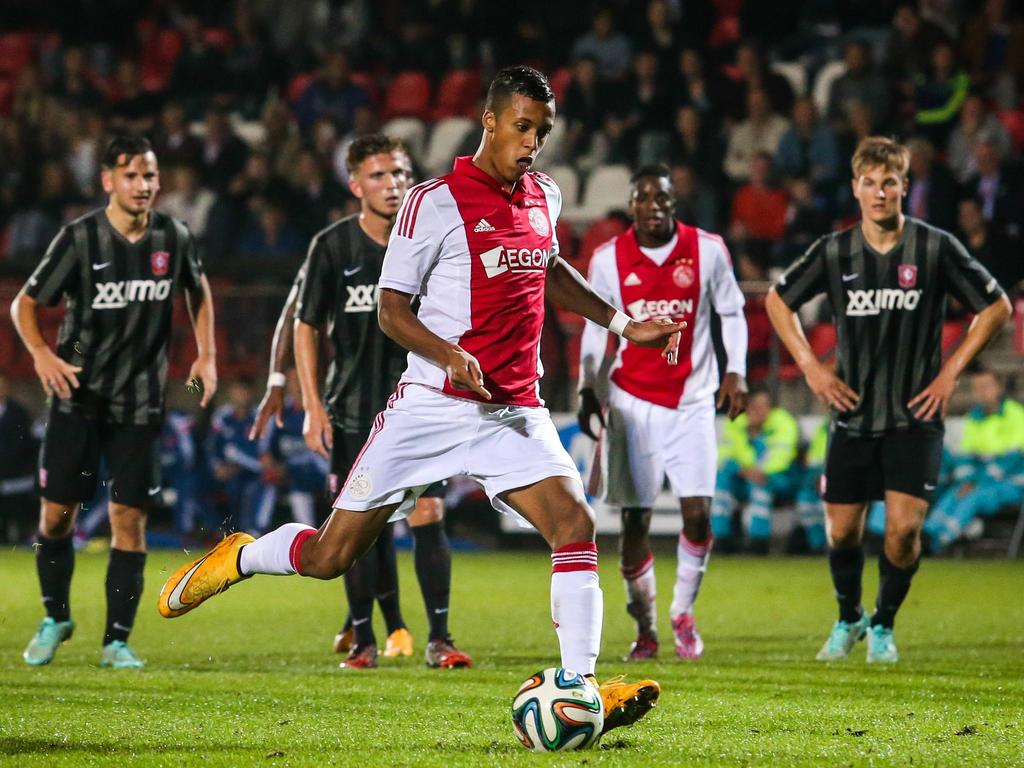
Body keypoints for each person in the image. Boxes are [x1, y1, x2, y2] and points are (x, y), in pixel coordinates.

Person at [160, 66, 680, 733]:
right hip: (431, 406)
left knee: (573, 526)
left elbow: (549, 268)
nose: (533, 143)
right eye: (522, 126)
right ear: (490, 121)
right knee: (329, 557)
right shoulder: (433, 202)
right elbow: (391, 311)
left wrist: (624, 324)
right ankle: (239, 555)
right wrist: (450, 356)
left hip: (512, 409)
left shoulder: (544, 194)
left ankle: (579, 688)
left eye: (543, 131)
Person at [766, 136, 1011, 663]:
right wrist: (811, 367)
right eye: (871, 184)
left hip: (914, 415)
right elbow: (777, 300)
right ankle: (849, 615)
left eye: (891, 183)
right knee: (842, 530)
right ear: (856, 188)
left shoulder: (935, 247)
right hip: (851, 415)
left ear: (906, 186)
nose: (880, 193)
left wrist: (950, 373)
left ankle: (883, 623)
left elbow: (996, 307)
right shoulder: (835, 250)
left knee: (902, 532)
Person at [247, 134, 471, 670]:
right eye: (378, 175)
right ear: (355, 185)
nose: (392, 184)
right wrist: (312, 405)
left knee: (428, 511)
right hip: (353, 410)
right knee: (357, 526)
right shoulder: (333, 245)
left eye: (399, 173)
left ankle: (440, 639)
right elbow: (304, 324)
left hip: (422, 405)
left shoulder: (434, 237)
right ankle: (365, 640)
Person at [11, 135, 217, 668]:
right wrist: (42, 356)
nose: (144, 185)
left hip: (140, 404)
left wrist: (205, 356)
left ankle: (116, 641)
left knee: (130, 519)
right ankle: (56, 615)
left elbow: (198, 290)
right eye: (131, 176)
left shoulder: (174, 236)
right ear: (108, 181)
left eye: (150, 176)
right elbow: (25, 304)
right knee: (56, 519)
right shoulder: (80, 239)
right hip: (77, 399)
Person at [576, 163, 747, 661]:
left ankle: (682, 612)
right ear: (631, 205)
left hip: (693, 401)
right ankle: (646, 628)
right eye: (644, 198)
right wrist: (590, 384)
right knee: (634, 521)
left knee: (697, 516)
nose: (654, 207)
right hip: (632, 402)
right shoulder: (609, 258)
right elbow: (595, 324)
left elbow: (732, 310)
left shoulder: (707, 249)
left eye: (663, 198)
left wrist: (736, 371)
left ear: (675, 203)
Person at [923, 369, 1024, 552]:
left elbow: (1013, 459)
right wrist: (968, 481)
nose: (982, 392)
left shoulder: (1017, 415)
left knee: (972, 495)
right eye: (976, 388)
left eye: (986, 386)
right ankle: (926, 535)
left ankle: (939, 542)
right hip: (982, 480)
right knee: (955, 491)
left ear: (999, 387)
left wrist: (975, 482)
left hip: (1012, 484)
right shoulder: (974, 417)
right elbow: (965, 456)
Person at [710, 390, 800, 554]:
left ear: (770, 409)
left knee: (760, 485)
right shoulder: (736, 423)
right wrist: (742, 470)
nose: (756, 410)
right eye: (752, 406)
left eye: (761, 406)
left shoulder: (783, 423)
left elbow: (781, 458)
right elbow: (724, 456)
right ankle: (721, 539)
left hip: (780, 479)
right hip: (746, 478)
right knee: (722, 481)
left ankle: (759, 542)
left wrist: (758, 472)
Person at [207, 379, 276, 536]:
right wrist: (217, 466)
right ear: (231, 393)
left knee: (259, 484)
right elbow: (212, 447)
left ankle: (253, 531)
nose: (241, 396)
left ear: (251, 393)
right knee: (196, 484)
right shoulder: (222, 417)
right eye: (238, 391)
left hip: (252, 470)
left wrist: (242, 463)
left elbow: (264, 451)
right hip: (225, 469)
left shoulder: (260, 417)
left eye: (245, 392)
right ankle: (214, 531)